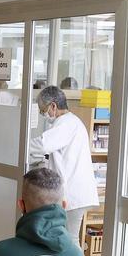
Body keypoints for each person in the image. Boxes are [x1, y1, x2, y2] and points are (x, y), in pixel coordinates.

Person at [29, 86, 98, 242]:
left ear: (53, 106)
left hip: (73, 192)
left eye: (43, 110)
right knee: (67, 239)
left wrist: (19, 146)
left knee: (70, 240)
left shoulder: (66, 123)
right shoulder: (68, 122)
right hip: (73, 190)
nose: (43, 115)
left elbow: (43, 144)